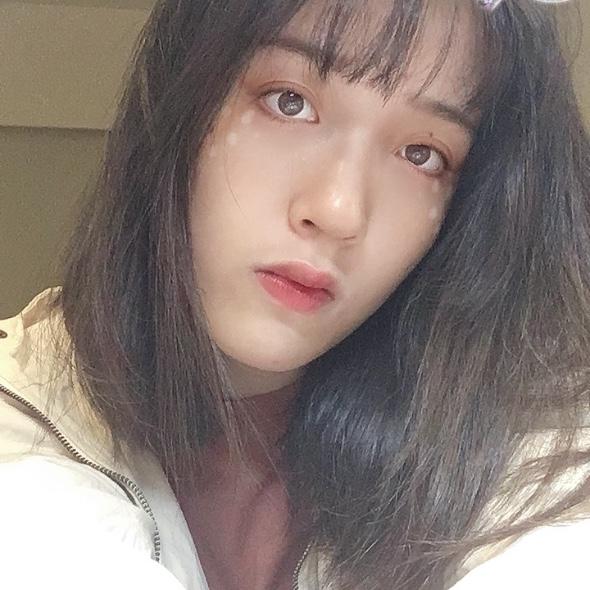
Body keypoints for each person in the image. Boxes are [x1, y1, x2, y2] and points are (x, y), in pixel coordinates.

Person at [1, 0, 589, 588]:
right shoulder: (25, 414)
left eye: (422, 155)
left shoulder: (530, 426)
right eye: (289, 102)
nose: (339, 211)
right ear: (176, 96)